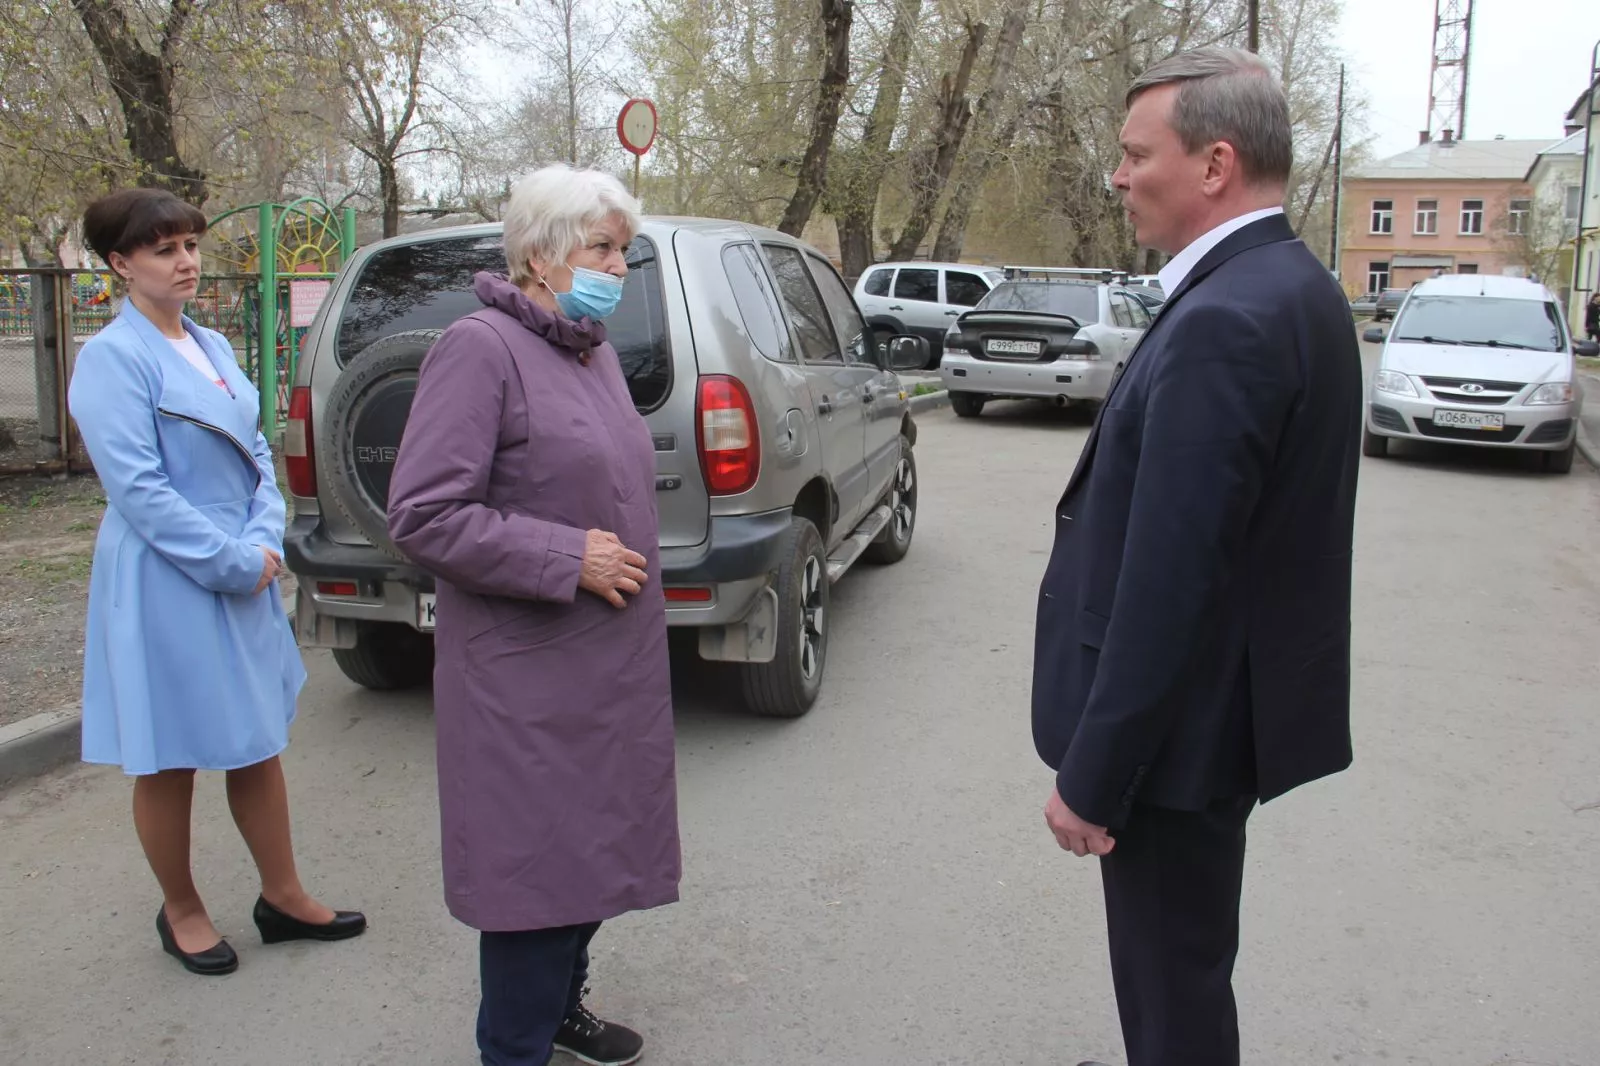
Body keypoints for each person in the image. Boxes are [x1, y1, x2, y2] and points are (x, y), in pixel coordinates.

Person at [1029, 48, 1361, 1066]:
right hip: (1214, 723)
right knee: (1181, 973)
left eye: (1136, 156)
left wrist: (1094, 774)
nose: (1118, 177)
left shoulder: (1228, 316)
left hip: (1175, 747)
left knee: (1171, 993)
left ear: (1215, 164)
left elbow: (1171, 584)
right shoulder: (1287, 285)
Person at [387, 164, 679, 1066]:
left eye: (623, 249)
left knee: (589, 856)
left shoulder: (584, 348)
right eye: (600, 247)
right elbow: (424, 515)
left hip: (605, 666)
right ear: (540, 256)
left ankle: (559, 1008)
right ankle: (512, 1046)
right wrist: (567, 557)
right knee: (535, 875)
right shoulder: (480, 349)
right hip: (527, 674)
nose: (617, 265)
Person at [67, 187, 365, 977]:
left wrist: (265, 534)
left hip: (242, 556)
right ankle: (183, 909)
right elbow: (141, 492)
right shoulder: (110, 359)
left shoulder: (213, 343)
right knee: (169, 754)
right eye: (164, 249)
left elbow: (258, 453)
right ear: (120, 264)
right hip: (169, 573)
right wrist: (234, 560)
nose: (186, 261)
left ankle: (284, 895)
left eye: (191, 244)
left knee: (255, 739)